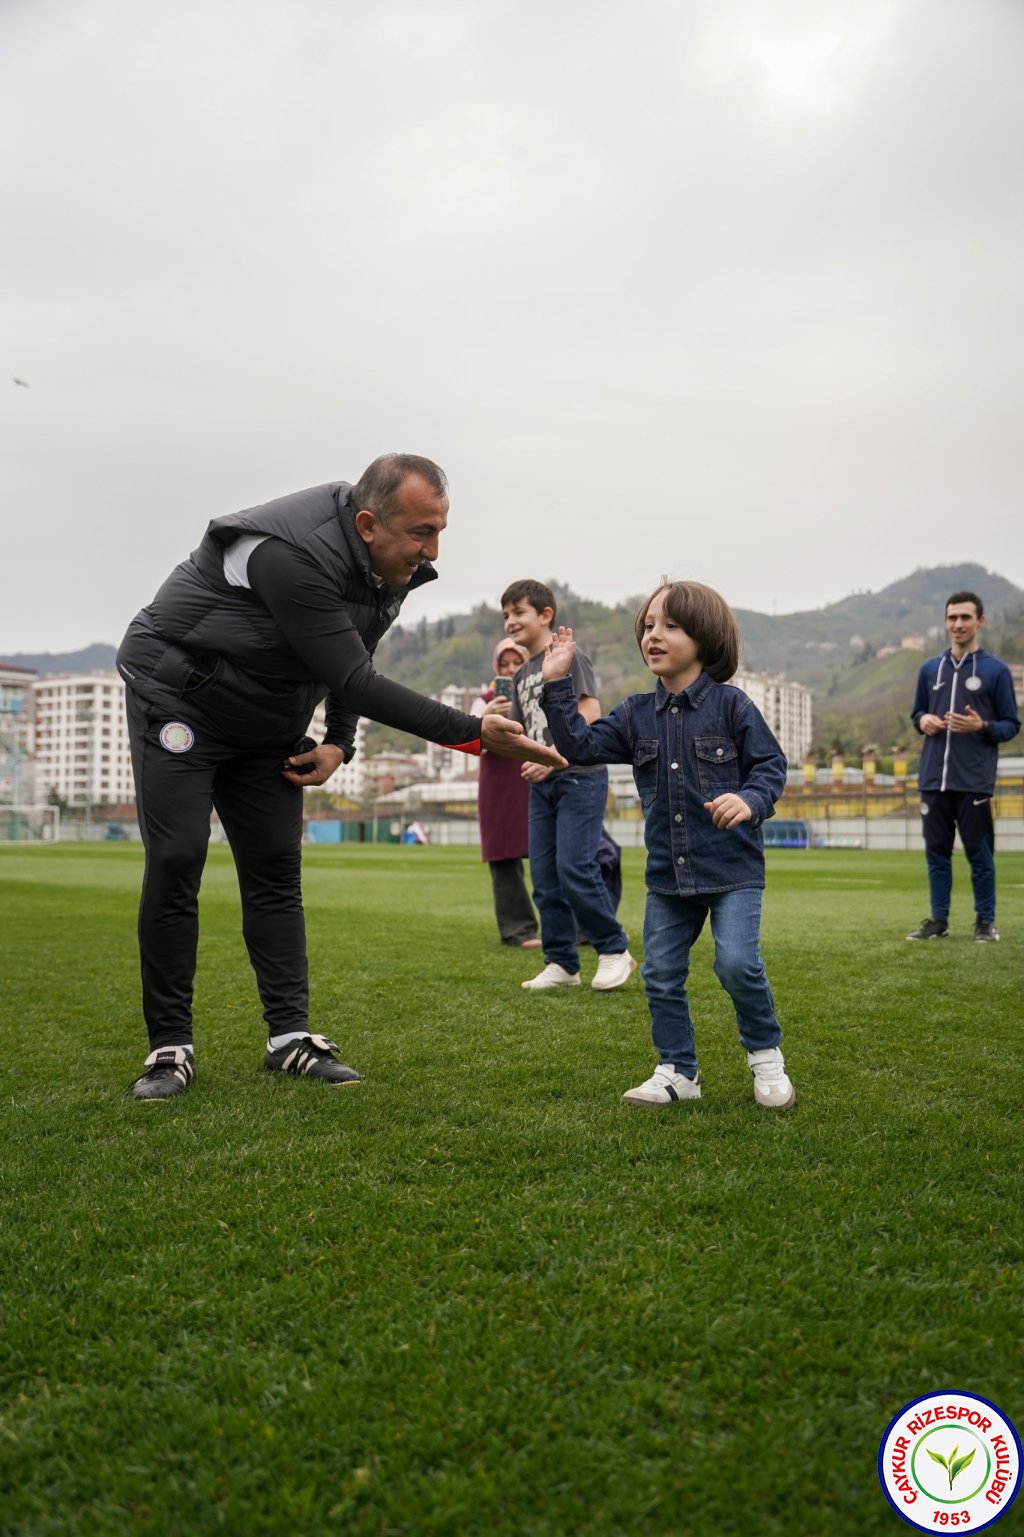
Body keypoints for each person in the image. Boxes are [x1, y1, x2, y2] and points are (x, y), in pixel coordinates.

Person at [116, 454, 564, 1101]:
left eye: (440, 530)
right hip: (181, 700)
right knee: (179, 854)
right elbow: (357, 679)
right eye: (421, 532)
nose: (433, 550)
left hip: (265, 718)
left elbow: (357, 651)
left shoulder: (389, 563)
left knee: (275, 867)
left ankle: (289, 1038)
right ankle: (169, 1048)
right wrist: (473, 732)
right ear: (367, 523)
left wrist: (338, 742)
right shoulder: (286, 555)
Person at [539, 581, 795, 1110]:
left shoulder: (733, 706)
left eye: (671, 626)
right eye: (649, 626)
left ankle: (766, 1058)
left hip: (732, 869)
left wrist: (749, 800)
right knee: (659, 973)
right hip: (668, 876)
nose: (654, 635)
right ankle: (678, 1071)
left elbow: (770, 767)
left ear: (705, 638)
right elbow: (579, 744)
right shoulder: (634, 714)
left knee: (737, 964)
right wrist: (557, 682)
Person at [501, 579, 635, 991]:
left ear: (545, 615)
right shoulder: (522, 672)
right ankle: (561, 963)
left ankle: (615, 950)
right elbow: (524, 729)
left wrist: (552, 756)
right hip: (542, 784)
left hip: (579, 776)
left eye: (518, 612)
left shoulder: (566, 657)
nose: (510, 621)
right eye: (505, 615)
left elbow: (590, 712)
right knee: (543, 875)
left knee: (575, 867)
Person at [907, 590, 1020, 943]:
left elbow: (1011, 725)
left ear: (980, 621)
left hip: (973, 780)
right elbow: (916, 714)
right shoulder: (929, 669)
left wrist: (981, 726)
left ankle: (985, 922)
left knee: (979, 855)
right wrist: (923, 719)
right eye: (952, 617)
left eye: (965, 617)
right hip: (932, 780)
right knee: (937, 855)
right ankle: (938, 921)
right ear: (945, 621)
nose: (958, 624)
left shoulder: (996, 671)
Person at [470, 639, 541, 948]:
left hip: (533, 778)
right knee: (504, 856)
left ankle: (576, 927)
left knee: (551, 855)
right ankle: (518, 930)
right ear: (495, 667)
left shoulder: (537, 695)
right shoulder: (481, 701)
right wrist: (486, 713)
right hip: (498, 785)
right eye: (504, 663)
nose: (510, 668)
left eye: (517, 662)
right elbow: (469, 739)